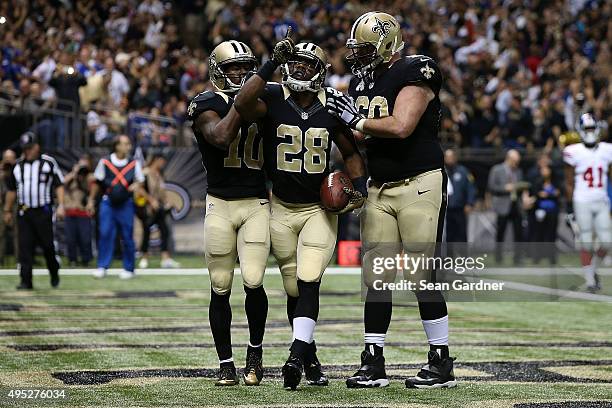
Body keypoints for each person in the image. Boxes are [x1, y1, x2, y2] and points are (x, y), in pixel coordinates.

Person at [326, 12, 455, 389]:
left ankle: (440, 359)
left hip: (420, 181)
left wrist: (357, 120)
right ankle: (373, 359)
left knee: (420, 273)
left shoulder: (417, 69)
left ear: (385, 45)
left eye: (365, 49)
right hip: (380, 185)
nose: (358, 57)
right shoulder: (362, 80)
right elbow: (362, 136)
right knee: (376, 276)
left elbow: (400, 125)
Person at [235, 38, 367, 390]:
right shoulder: (274, 96)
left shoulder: (331, 105)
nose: (301, 68)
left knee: (310, 279)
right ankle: (310, 357)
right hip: (279, 207)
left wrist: (360, 190)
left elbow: (352, 154)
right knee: (294, 288)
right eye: (296, 62)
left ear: (320, 71)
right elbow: (243, 102)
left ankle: (295, 354)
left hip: (318, 210)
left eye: (309, 64)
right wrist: (267, 65)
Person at [187, 41, 270, 386]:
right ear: (218, 70)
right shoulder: (205, 102)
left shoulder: (262, 102)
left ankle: (255, 354)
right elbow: (221, 136)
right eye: (233, 67)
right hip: (219, 202)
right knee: (220, 285)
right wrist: (244, 98)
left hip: (255, 201)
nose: (239, 73)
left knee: (253, 280)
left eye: (245, 67)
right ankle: (226, 363)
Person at [3, 133, 65, 289]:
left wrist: (61, 205)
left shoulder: (48, 163)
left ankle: (54, 271)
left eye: (30, 148)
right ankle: (26, 281)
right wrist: (7, 210)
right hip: (24, 212)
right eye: (25, 149)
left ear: (37, 147)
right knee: (25, 247)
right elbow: (11, 190)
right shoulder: (18, 166)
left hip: (43, 211)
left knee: (47, 246)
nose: (27, 152)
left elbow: (59, 184)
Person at [563, 113, 611, 292]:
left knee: (607, 242)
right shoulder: (573, 151)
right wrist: (569, 207)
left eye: (592, 128)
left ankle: (593, 270)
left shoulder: (607, 149)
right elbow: (569, 182)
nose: (590, 132)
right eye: (587, 129)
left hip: (601, 200)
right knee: (586, 240)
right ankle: (590, 281)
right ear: (580, 131)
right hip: (582, 200)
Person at [88, 135, 144, 279]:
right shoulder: (105, 162)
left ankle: (129, 268)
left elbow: (140, 181)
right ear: (117, 146)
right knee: (105, 233)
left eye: (129, 144)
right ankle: (102, 266)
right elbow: (96, 182)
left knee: (127, 235)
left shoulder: (133, 163)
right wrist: (91, 200)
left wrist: (136, 185)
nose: (128, 147)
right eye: (125, 144)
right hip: (108, 203)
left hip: (126, 204)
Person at [138, 153, 180, 269]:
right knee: (146, 232)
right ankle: (144, 258)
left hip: (159, 208)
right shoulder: (145, 172)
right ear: (156, 160)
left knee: (164, 231)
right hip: (147, 208)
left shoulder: (159, 175)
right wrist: (151, 200)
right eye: (161, 161)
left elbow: (162, 193)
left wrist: (169, 203)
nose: (162, 164)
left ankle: (165, 258)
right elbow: (139, 189)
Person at [488, 149, 526, 264]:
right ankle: (498, 258)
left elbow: (521, 186)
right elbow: (491, 187)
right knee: (500, 234)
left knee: (518, 234)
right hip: (503, 205)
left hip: (516, 205)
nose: (517, 163)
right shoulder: (497, 169)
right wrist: (505, 188)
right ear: (509, 159)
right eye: (515, 161)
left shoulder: (518, 171)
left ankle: (518, 258)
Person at [63, 154, 95, 266]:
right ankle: (72, 260)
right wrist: (75, 173)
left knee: (85, 238)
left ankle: (86, 259)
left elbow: (92, 190)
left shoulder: (90, 178)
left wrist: (86, 174)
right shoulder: (71, 177)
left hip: (83, 212)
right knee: (71, 238)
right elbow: (62, 183)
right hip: (70, 211)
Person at [529, 165, 560, 265]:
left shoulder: (555, 182)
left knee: (551, 235)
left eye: (546, 169)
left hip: (553, 212)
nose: (544, 171)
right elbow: (535, 194)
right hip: (540, 212)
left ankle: (552, 257)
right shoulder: (537, 182)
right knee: (539, 235)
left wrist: (548, 195)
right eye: (542, 169)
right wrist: (544, 195)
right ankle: (537, 257)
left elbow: (558, 193)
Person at [444, 148, 476, 245]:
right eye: (447, 157)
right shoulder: (442, 172)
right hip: (446, 209)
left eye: (451, 157)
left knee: (462, 234)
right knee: (449, 235)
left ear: (455, 158)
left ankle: (463, 258)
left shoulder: (463, 171)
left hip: (460, 208)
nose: (449, 159)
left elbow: (471, 188)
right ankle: (450, 258)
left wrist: (470, 203)